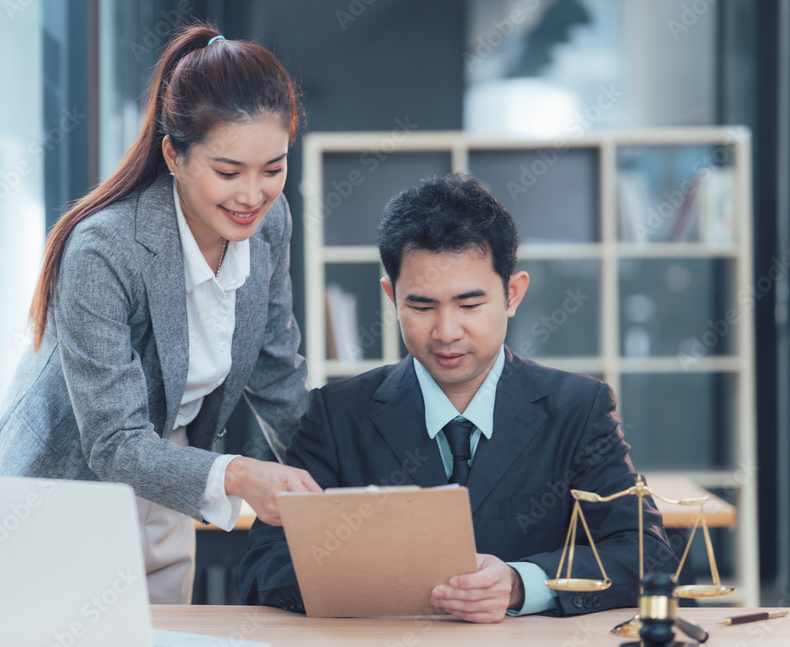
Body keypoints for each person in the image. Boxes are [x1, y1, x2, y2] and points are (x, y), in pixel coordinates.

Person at [0, 24, 321, 605]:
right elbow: (113, 440)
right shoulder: (104, 249)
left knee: (167, 639)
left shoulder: (270, 224)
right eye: (228, 172)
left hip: (168, 473)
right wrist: (239, 474)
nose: (252, 195)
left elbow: (278, 375)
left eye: (273, 168)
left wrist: (344, 493)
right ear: (173, 156)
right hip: (61, 489)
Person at [235, 173, 678, 622]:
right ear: (391, 297)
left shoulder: (578, 408)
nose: (446, 332)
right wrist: (384, 578)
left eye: (469, 305)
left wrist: (521, 583)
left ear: (512, 294)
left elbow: (646, 555)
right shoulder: (337, 414)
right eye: (421, 306)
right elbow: (263, 570)